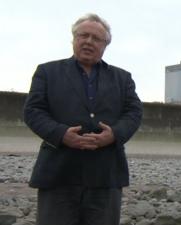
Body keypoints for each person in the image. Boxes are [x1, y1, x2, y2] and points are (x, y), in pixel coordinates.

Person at [23, 13, 143, 225]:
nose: (88, 41)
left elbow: (134, 113)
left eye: (96, 38)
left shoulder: (122, 78)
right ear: (74, 39)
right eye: (83, 35)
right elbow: (33, 111)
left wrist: (114, 135)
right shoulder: (47, 72)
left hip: (106, 175)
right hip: (58, 173)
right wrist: (61, 134)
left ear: (106, 45)